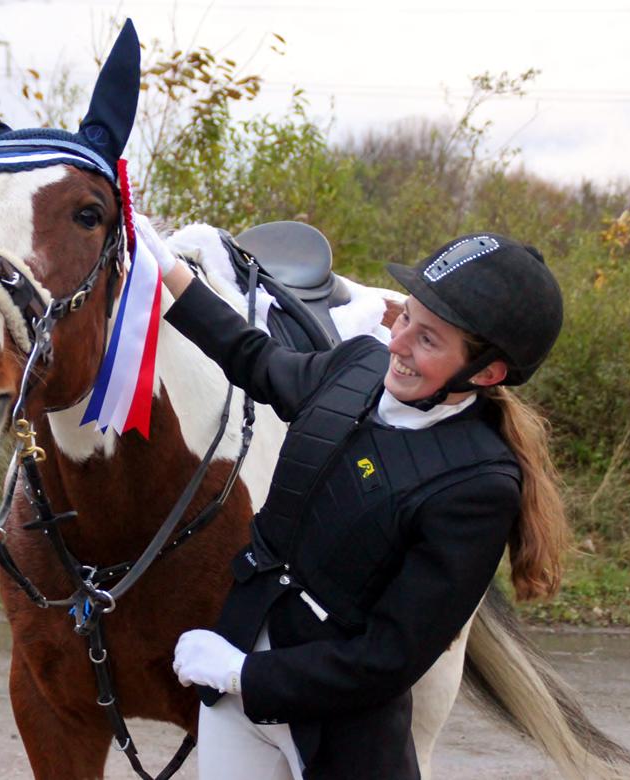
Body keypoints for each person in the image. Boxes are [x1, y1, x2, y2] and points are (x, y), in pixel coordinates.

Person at [140, 220, 570, 779]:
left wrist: (245, 674)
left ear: (486, 372)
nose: (399, 344)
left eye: (428, 339)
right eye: (408, 318)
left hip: (340, 730)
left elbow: (389, 657)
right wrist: (169, 271)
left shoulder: (479, 487)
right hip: (238, 680)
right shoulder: (358, 365)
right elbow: (256, 359)